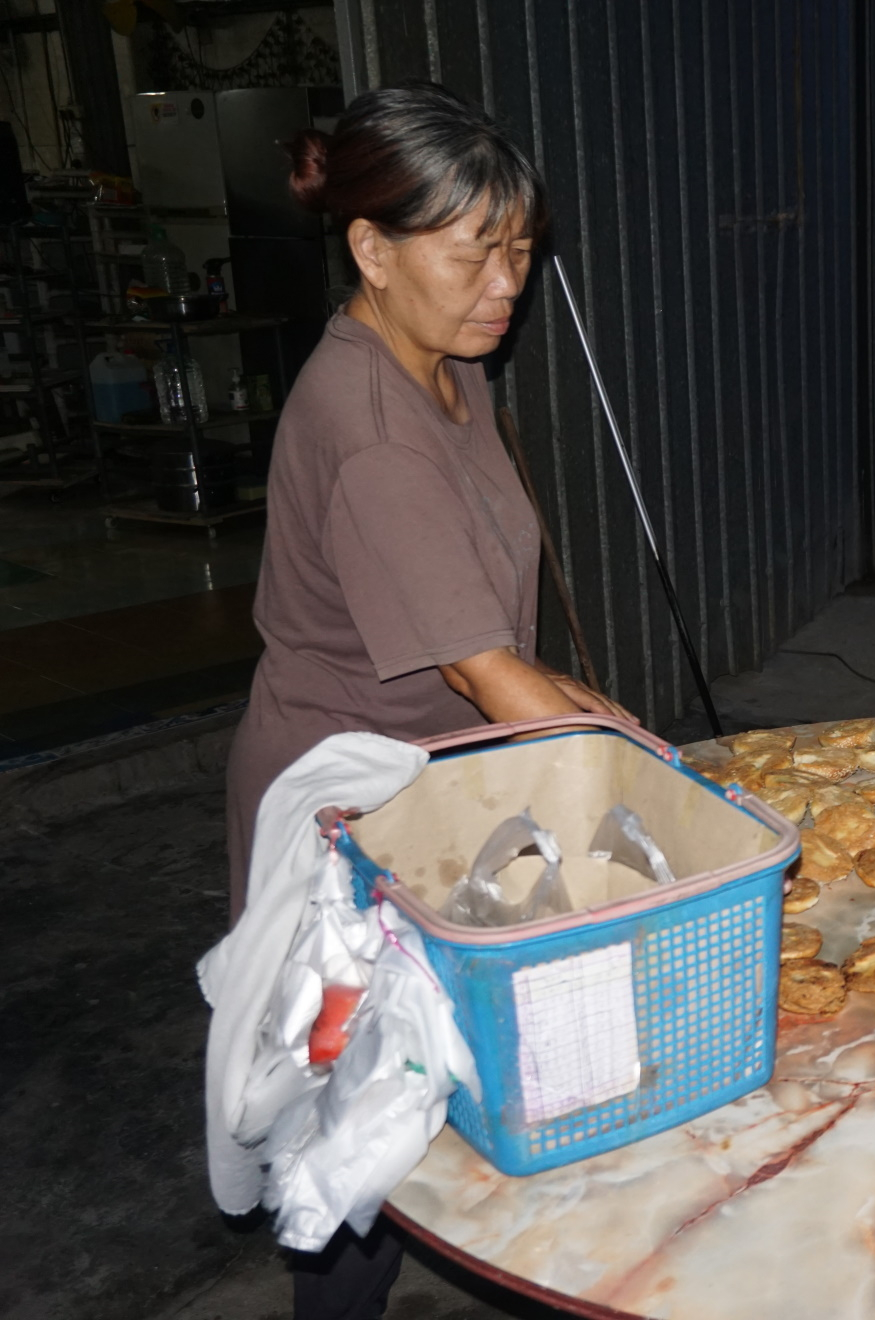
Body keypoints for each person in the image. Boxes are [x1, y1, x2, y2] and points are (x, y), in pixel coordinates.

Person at [221, 81, 627, 1319]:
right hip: (348, 820)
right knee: (356, 1146)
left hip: (440, 780)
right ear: (372, 250)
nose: (506, 286)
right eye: (474, 254)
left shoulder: (448, 364)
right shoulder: (372, 430)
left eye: (521, 251)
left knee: (445, 1099)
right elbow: (480, 671)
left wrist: (615, 728)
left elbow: (490, 642)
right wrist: (643, 792)